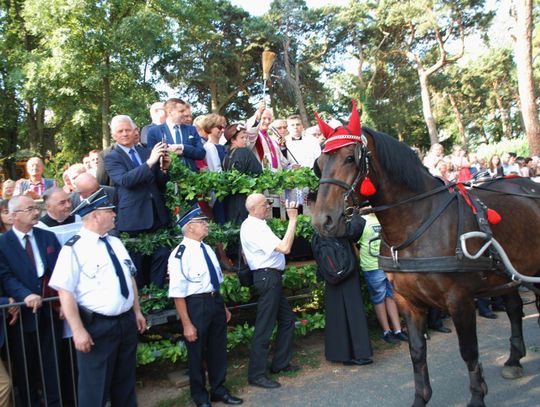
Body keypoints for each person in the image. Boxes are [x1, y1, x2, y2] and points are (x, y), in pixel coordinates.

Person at [49, 189, 146, 407]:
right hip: (97, 326)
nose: (114, 214)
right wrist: (78, 330)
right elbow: (65, 291)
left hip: (125, 322)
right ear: (94, 215)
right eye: (109, 210)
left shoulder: (115, 242)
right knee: (95, 389)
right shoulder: (74, 248)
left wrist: (137, 311)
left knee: (125, 383)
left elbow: (129, 278)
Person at [168, 206, 243, 407]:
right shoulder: (179, 254)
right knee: (197, 353)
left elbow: (214, 281)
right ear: (190, 228)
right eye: (202, 223)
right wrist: (186, 324)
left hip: (214, 301)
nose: (206, 225)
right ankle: (200, 396)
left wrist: (223, 306)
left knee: (218, 350)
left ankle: (219, 390)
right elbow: (177, 293)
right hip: (196, 305)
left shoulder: (207, 248)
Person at [0, 195, 62, 406]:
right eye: (30, 209)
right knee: (25, 366)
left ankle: (56, 402)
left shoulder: (48, 237)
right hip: (22, 315)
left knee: (52, 363)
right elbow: (5, 275)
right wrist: (24, 294)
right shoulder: (2, 243)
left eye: (36, 208)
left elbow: (59, 272)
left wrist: (61, 301)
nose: (36, 212)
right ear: (14, 215)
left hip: (50, 311)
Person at [105, 115, 171, 288]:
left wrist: (164, 169)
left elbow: (159, 183)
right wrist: (150, 162)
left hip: (157, 215)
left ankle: (157, 296)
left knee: (161, 255)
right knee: (138, 264)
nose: (125, 134)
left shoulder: (145, 152)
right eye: (120, 131)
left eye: (128, 130)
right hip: (134, 219)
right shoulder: (112, 157)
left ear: (135, 131)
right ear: (114, 135)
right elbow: (126, 181)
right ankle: (142, 301)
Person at [241, 193, 299, 389]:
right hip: (267, 278)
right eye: (266, 204)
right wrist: (293, 219)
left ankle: (280, 364)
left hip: (269, 277)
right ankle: (256, 374)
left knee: (287, 320)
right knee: (264, 326)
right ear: (255, 208)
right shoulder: (254, 227)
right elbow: (285, 247)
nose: (268, 207)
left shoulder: (254, 225)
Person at [359, 212, 408, 345]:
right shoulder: (361, 221)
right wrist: (361, 259)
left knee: (391, 296)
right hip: (373, 266)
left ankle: (397, 330)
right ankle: (387, 332)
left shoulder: (384, 216)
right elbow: (354, 242)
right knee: (379, 298)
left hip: (388, 263)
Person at [146, 98, 206, 172]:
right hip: (167, 179)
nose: (185, 114)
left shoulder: (191, 129)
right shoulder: (154, 132)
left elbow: (201, 153)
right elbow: (151, 159)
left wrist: (183, 148)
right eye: (181, 111)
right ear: (170, 112)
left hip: (192, 178)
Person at [222, 124, 263, 224]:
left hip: (230, 201)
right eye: (242, 137)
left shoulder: (225, 157)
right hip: (246, 199)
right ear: (232, 140)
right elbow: (258, 172)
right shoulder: (244, 152)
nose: (245, 140)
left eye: (246, 137)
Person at [245, 101, 290, 170]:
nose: (267, 121)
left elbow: (282, 161)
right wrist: (258, 113)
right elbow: (250, 132)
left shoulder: (273, 140)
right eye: (264, 118)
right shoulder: (254, 136)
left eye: (269, 119)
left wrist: (291, 166)